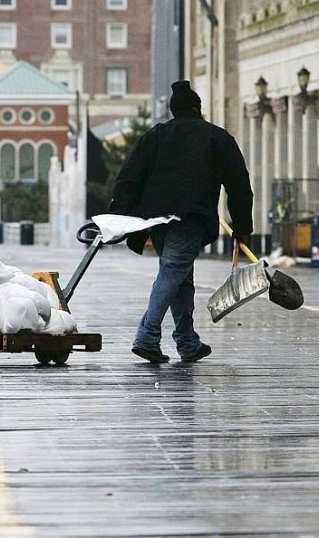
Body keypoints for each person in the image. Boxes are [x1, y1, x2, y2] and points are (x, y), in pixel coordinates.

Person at [109, 80, 254, 364]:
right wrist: (242, 228)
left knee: (179, 275)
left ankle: (187, 341)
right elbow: (239, 186)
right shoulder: (217, 138)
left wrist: (121, 216)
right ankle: (147, 336)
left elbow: (129, 177)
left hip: (156, 220)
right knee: (173, 271)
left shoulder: (156, 135)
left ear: (173, 111)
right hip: (189, 217)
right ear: (198, 108)